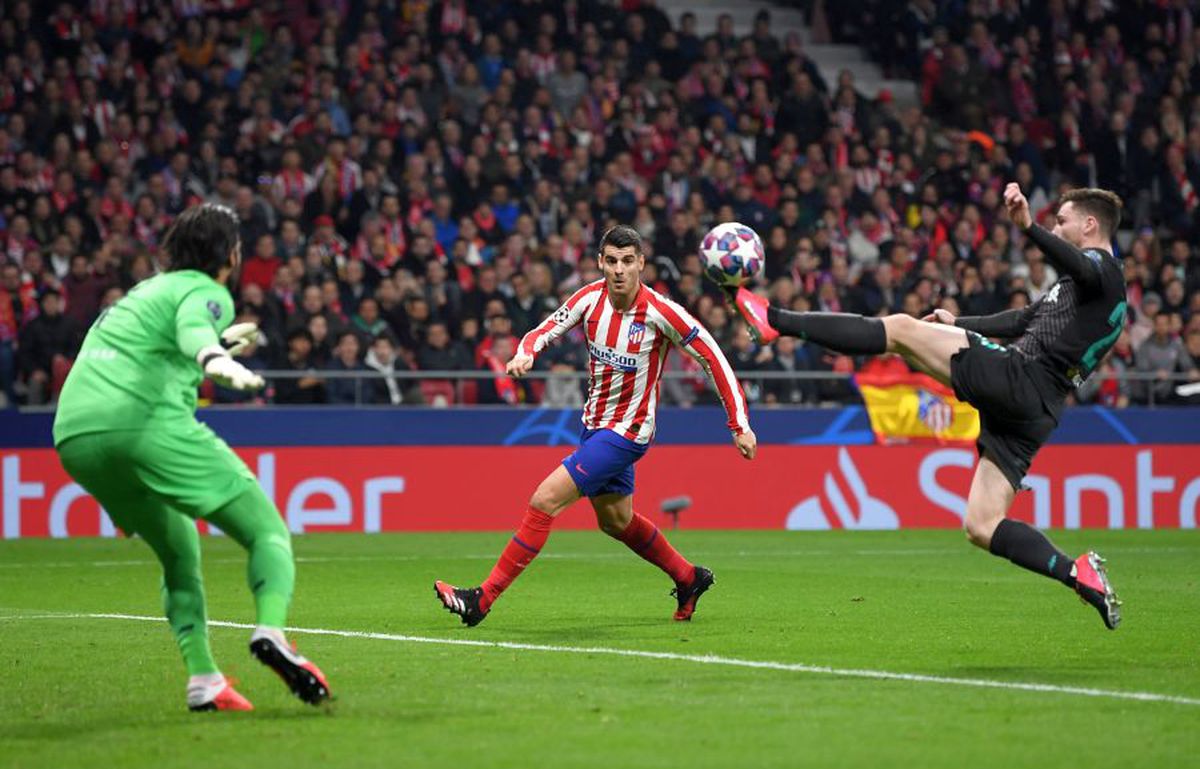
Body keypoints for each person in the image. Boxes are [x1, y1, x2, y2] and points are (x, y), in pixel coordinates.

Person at [731, 185, 1125, 630]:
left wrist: (1029, 227)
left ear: (1090, 224)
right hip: (1038, 411)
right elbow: (1023, 320)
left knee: (900, 330)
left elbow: (1080, 269)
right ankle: (1077, 574)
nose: (1057, 227)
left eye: (1062, 221)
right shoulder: (1087, 287)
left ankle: (774, 320)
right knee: (982, 524)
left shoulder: (1103, 270)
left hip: (1021, 378)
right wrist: (960, 323)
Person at [52, 204, 331, 711]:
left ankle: (204, 679)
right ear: (230, 254)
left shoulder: (142, 293)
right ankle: (271, 632)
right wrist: (216, 358)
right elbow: (194, 336)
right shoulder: (207, 290)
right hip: (141, 425)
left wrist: (220, 344)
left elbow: (163, 346)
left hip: (74, 436)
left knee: (179, 549)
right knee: (266, 532)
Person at [435, 225, 757, 627]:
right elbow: (544, 329)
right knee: (616, 521)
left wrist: (739, 424)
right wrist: (526, 353)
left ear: (641, 263)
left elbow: (713, 358)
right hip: (594, 427)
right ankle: (689, 577)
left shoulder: (662, 312)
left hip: (628, 433)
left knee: (544, 500)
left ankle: (481, 599)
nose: (619, 270)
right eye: (612, 261)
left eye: (628, 261)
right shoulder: (589, 299)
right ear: (600, 262)